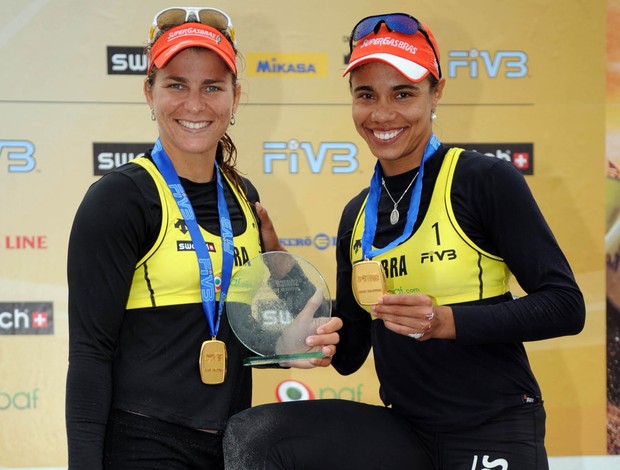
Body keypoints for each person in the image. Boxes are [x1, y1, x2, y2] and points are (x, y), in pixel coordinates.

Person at [223, 12, 586, 470]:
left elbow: (565, 306)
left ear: (436, 93)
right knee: (255, 436)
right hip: (405, 432)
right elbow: (350, 354)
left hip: (492, 425)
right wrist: (282, 269)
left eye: (403, 93)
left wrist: (446, 321)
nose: (382, 114)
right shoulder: (357, 215)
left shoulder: (482, 180)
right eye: (366, 95)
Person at [65, 7, 341, 470]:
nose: (195, 104)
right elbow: (90, 354)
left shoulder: (243, 197)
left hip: (233, 445)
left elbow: (223, 330)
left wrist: (282, 345)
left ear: (236, 98)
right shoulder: (120, 199)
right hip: (143, 443)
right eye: (176, 84)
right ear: (148, 92)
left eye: (212, 86)